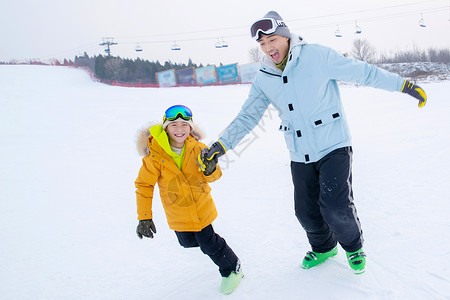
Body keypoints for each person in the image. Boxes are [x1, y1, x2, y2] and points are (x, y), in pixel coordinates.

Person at [198, 11, 427, 275]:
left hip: (334, 145)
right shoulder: (264, 77)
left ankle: (353, 247)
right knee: (305, 212)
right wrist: (220, 146)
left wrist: (404, 85)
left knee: (335, 207)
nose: (268, 48)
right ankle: (324, 248)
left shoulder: (317, 56)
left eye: (272, 39)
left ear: (285, 37)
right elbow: (248, 115)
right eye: (262, 44)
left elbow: (363, 72)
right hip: (300, 152)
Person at [135, 105, 244, 294]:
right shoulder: (154, 156)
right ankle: (211, 247)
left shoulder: (198, 149)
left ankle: (232, 269)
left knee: (208, 242)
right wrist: (144, 216)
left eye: (184, 124)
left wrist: (211, 169)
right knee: (186, 242)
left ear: (191, 128)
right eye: (174, 124)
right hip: (176, 211)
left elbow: (214, 175)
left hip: (199, 207)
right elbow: (144, 186)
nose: (179, 129)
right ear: (165, 128)